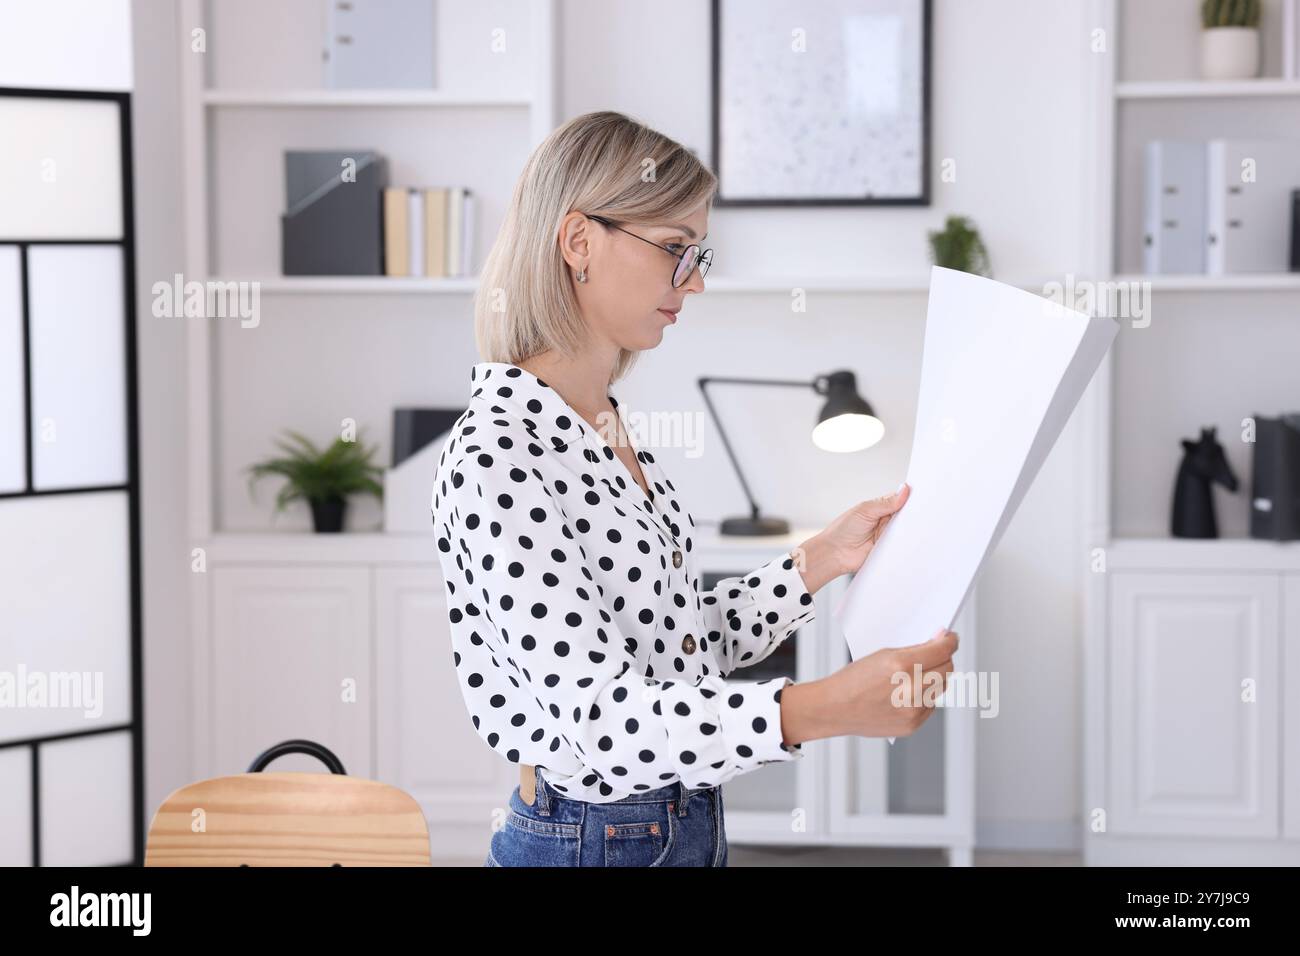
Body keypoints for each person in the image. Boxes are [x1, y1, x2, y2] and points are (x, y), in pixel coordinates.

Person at [430, 110, 958, 867]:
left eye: (697, 252)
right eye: (675, 250)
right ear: (579, 242)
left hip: (672, 820)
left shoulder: (601, 424)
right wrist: (829, 706)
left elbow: (673, 647)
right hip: (592, 837)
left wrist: (818, 559)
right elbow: (602, 720)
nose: (697, 280)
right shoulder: (499, 454)